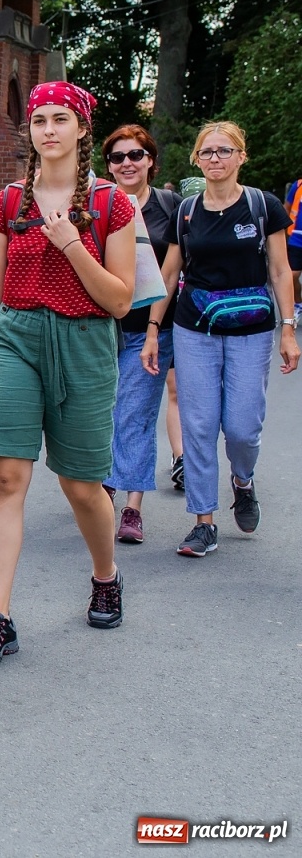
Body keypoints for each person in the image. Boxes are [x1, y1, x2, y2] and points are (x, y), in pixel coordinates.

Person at [0, 82, 136, 664]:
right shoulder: (9, 202)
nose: (49, 130)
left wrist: (71, 244)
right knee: (6, 478)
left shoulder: (112, 205)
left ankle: (105, 573)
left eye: (61, 119)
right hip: (17, 337)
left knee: (81, 485)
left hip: (85, 342)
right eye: (39, 120)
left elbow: (119, 302)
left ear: (83, 129)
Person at [143, 121, 298, 558]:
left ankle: (243, 481)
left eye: (224, 151)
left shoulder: (262, 206)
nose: (215, 158)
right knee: (198, 425)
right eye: (207, 152)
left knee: (243, 428)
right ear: (196, 159)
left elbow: (281, 270)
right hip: (195, 330)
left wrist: (288, 328)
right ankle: (203, 520)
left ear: (241, 157)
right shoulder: (186, 211)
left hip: (251, 331)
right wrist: (155, 329)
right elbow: (169, 275)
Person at [101, 126, 180, 544]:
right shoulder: (97, 203)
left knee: (135, 414)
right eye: (117, 157)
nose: (126, 163)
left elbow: (174, 273)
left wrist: (153, 330)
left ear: (150, 159)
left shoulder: (172, 208)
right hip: (98, 329)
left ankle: (132, 508)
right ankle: (103, 485)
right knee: (101, 414)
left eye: (135, 155)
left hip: (149, 332)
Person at [284, 173, 302, 307]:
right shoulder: (298, 185)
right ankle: (298, 303)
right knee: (292, 275)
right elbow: (287, 207)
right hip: (296, 237)